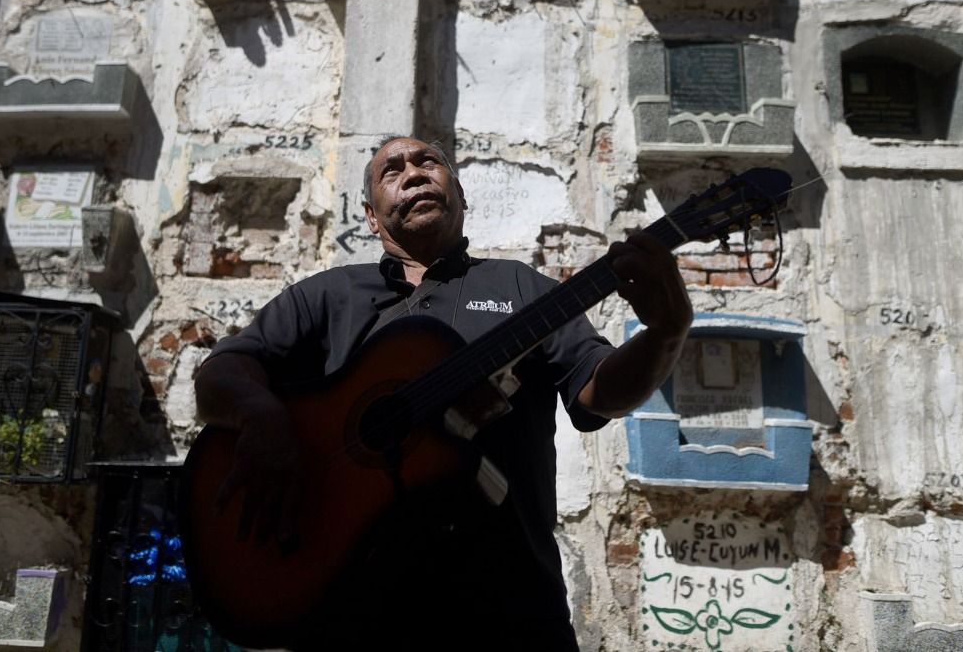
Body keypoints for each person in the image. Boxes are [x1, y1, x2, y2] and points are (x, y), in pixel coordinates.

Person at [194, 136, 692, 650]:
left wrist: (667, 332)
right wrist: (261, 417)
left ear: (460, 195)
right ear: (370, 216)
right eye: (392, 170)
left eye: (428, 162)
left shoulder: (525, 291)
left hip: (508, 616)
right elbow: (222, 372)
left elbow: (600, 391)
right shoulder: (326, 296)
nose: (413, 173)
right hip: (348, 616)